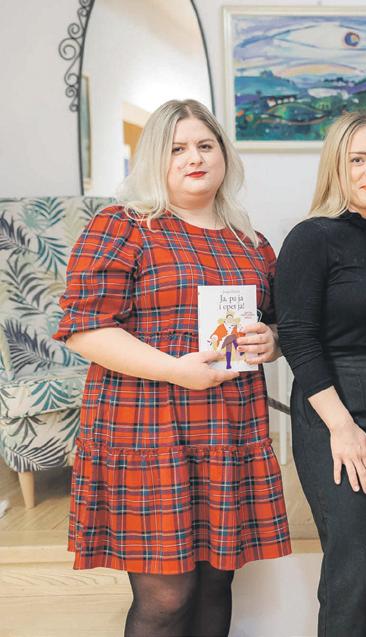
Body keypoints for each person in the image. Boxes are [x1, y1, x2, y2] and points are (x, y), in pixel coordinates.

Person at [55, 99, 290, 637]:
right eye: (177, 148)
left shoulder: (251, 242)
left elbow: (279, 325)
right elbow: (85, 328)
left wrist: (272, 340)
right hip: (147, 429)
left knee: (215, 586)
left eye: (205, 145)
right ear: (154, 159)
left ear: (224, 155)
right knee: (167, 597)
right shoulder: (124, 226)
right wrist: (174, 370)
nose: (194, 158)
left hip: (227, 429)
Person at [275, 112, 366, 637]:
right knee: (353, 571)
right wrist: (342, 426)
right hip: (334, 421)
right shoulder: (311, 238)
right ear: (336, 165)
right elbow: (297, 336)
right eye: (358, 159)